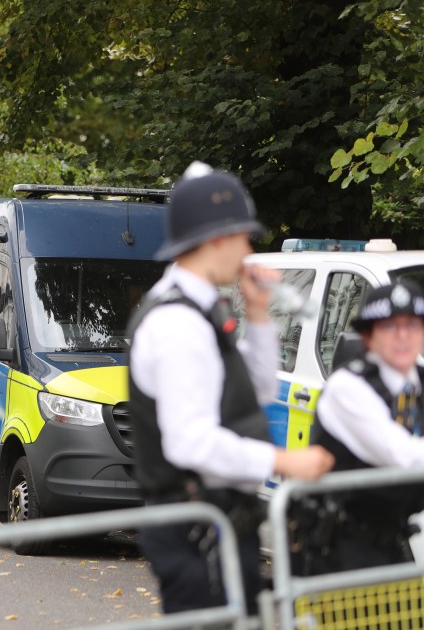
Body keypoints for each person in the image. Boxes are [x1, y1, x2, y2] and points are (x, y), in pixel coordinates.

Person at [128, 162, 334, 614]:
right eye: (243, 236)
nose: (248, 248)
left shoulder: (200, 311)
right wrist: (284, 460)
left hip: (216, 522)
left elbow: (256, 391)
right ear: (217, 237)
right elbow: (190, 442)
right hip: (196, 526)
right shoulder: (178, 323)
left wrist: (259, 316)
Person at [299, 281, 424, 575]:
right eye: (390, 327)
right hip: (340, 546)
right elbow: (402, 455)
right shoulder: (349, 386)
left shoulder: (418, 380)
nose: (403, 336)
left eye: (413, 325)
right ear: (368, 337)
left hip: (393, 539)